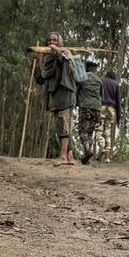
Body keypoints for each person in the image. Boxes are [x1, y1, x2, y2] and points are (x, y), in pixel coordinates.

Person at [34, 32, 77, 166]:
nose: (52, 42)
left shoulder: (65, 55)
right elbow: (40, 78)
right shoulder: (47, 60)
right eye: (50, 40)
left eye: (55, 40)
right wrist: (37, 61)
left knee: (63, 125)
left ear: (59, 43)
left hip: (64, 94)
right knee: (60, 126)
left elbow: (67, 66)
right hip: (53, 97)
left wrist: (59, 53)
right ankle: (70, 156)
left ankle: (63, 157)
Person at [76, 60, 103, 164]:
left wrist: (77, 103)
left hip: (85, 107)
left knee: (83, 131)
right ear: (95, 70)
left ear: (86, 68)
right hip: (97, 108)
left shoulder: (82, 78)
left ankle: (87, 150)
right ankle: (86, 157)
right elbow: (101, 96)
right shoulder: (99, 80)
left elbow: (77, 92)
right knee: (90, 132)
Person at [96, 70, 121, 163]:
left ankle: (101, 147)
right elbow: (118, 102)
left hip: (101, 106)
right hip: (112, 108)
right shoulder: (116, 84)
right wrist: (119, 118)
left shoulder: (101, 80)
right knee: (108, 131)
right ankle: (107, 157)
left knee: (99, 129)